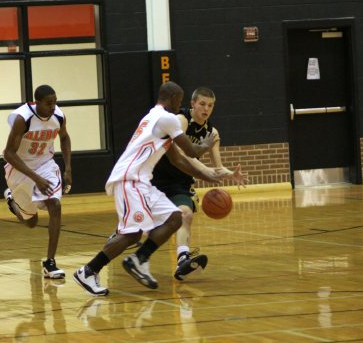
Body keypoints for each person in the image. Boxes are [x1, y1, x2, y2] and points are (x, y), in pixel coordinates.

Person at [72, 81, 230, 297]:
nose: (180, 105)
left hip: (142, 182)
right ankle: (88, 270)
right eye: (180, 100)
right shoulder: (167, 119)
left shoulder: (154, 118)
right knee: (133, 234)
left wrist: (208, 177)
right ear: (173, 99)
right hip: (129, 179)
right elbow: (191, 152)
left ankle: (139, 259)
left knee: (175, 218)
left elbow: (177, 160)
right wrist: (207, 143)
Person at [152, 86, 245, 281]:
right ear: (192, 104)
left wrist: (230, 174)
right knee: (138, 228)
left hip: (180, 181)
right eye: (202, 104)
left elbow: (217, 167)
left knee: (185, 214)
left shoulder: (212, 133)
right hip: (157, 177)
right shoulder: (180, 121)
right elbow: (181, 155)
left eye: (210, 105)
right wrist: (205, 171)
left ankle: (182, 258)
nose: (206, 109)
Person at [3, 84, 72, 279]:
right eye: (49, 103)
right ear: (37, 102)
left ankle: (50, 263)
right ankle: (12, 202)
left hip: (45, 165)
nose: (53, 107)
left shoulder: (58, 116)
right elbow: (8, 154)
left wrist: (68, 168)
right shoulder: (22, 119)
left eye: (55, 102)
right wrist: (35, 178)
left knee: (55, 204)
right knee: (31, 222)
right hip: (19, 169)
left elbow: (65, 138)